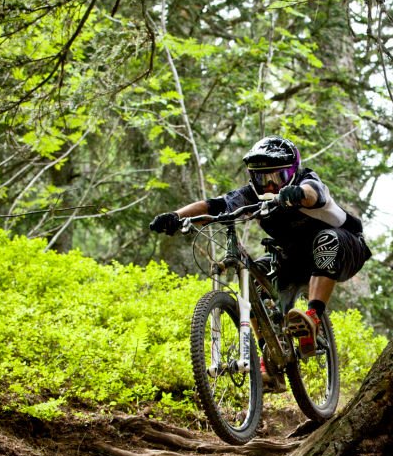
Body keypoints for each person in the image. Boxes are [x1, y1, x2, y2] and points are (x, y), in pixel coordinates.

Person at [149, 136, 371, 387]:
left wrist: (296, 193)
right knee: (255, 280)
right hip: (293, 258)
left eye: (277, 177)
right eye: (261, 178)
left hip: (347, 247)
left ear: (292, 173)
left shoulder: (307, 181)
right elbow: (215, 205)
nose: (269, 186)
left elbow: (312, 194)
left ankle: (314, 316)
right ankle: (270, 360)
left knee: (326, 241)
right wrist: (176, 217)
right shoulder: (250, 194)